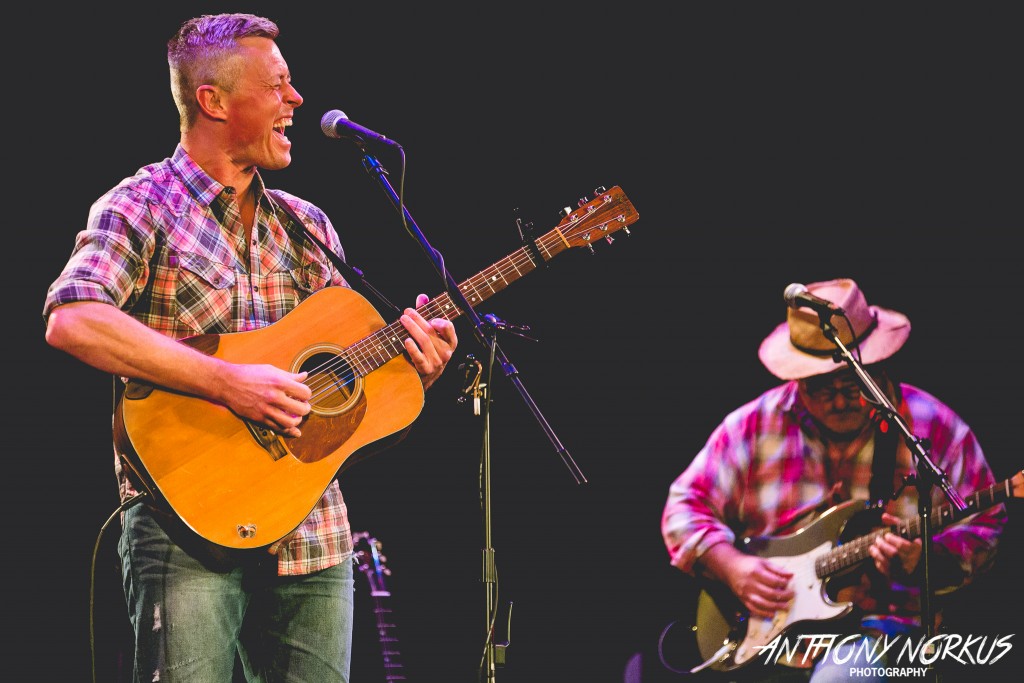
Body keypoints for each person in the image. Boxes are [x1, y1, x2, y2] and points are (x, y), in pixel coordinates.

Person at [42, 13, 457, 682]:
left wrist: (414, 370)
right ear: (213, 100)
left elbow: (343, 393)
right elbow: (73, 319)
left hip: (314, 535)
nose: (296, 99)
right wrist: (228, 383)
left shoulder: (307, 224)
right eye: (277, 85)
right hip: (186, 528)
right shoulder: (140, 205)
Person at [660, 278, 1006, 682]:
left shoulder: (933, 426)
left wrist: (928, 560)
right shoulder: (752, 426)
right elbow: (683, 507)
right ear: (797, 380)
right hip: (766, 637)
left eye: (852, 384)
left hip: (883, 629)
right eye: (821, 389)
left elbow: (986, 525)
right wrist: (732, 567)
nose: (840, 401)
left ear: (875, 367)